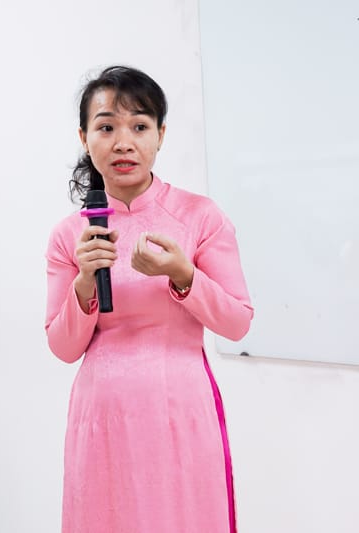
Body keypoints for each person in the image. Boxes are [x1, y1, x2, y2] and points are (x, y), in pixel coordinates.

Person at [44, 65, 253, 533]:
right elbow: (62, 348)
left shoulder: (200, 217)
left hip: (178, 409)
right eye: (106, 128)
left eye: (139, 126)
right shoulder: (70, 235)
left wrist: (184, 275)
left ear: (160, 135)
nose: (123, 142)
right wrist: (84, 282)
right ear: (84, 138)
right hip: (101, 417)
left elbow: (238, 322)